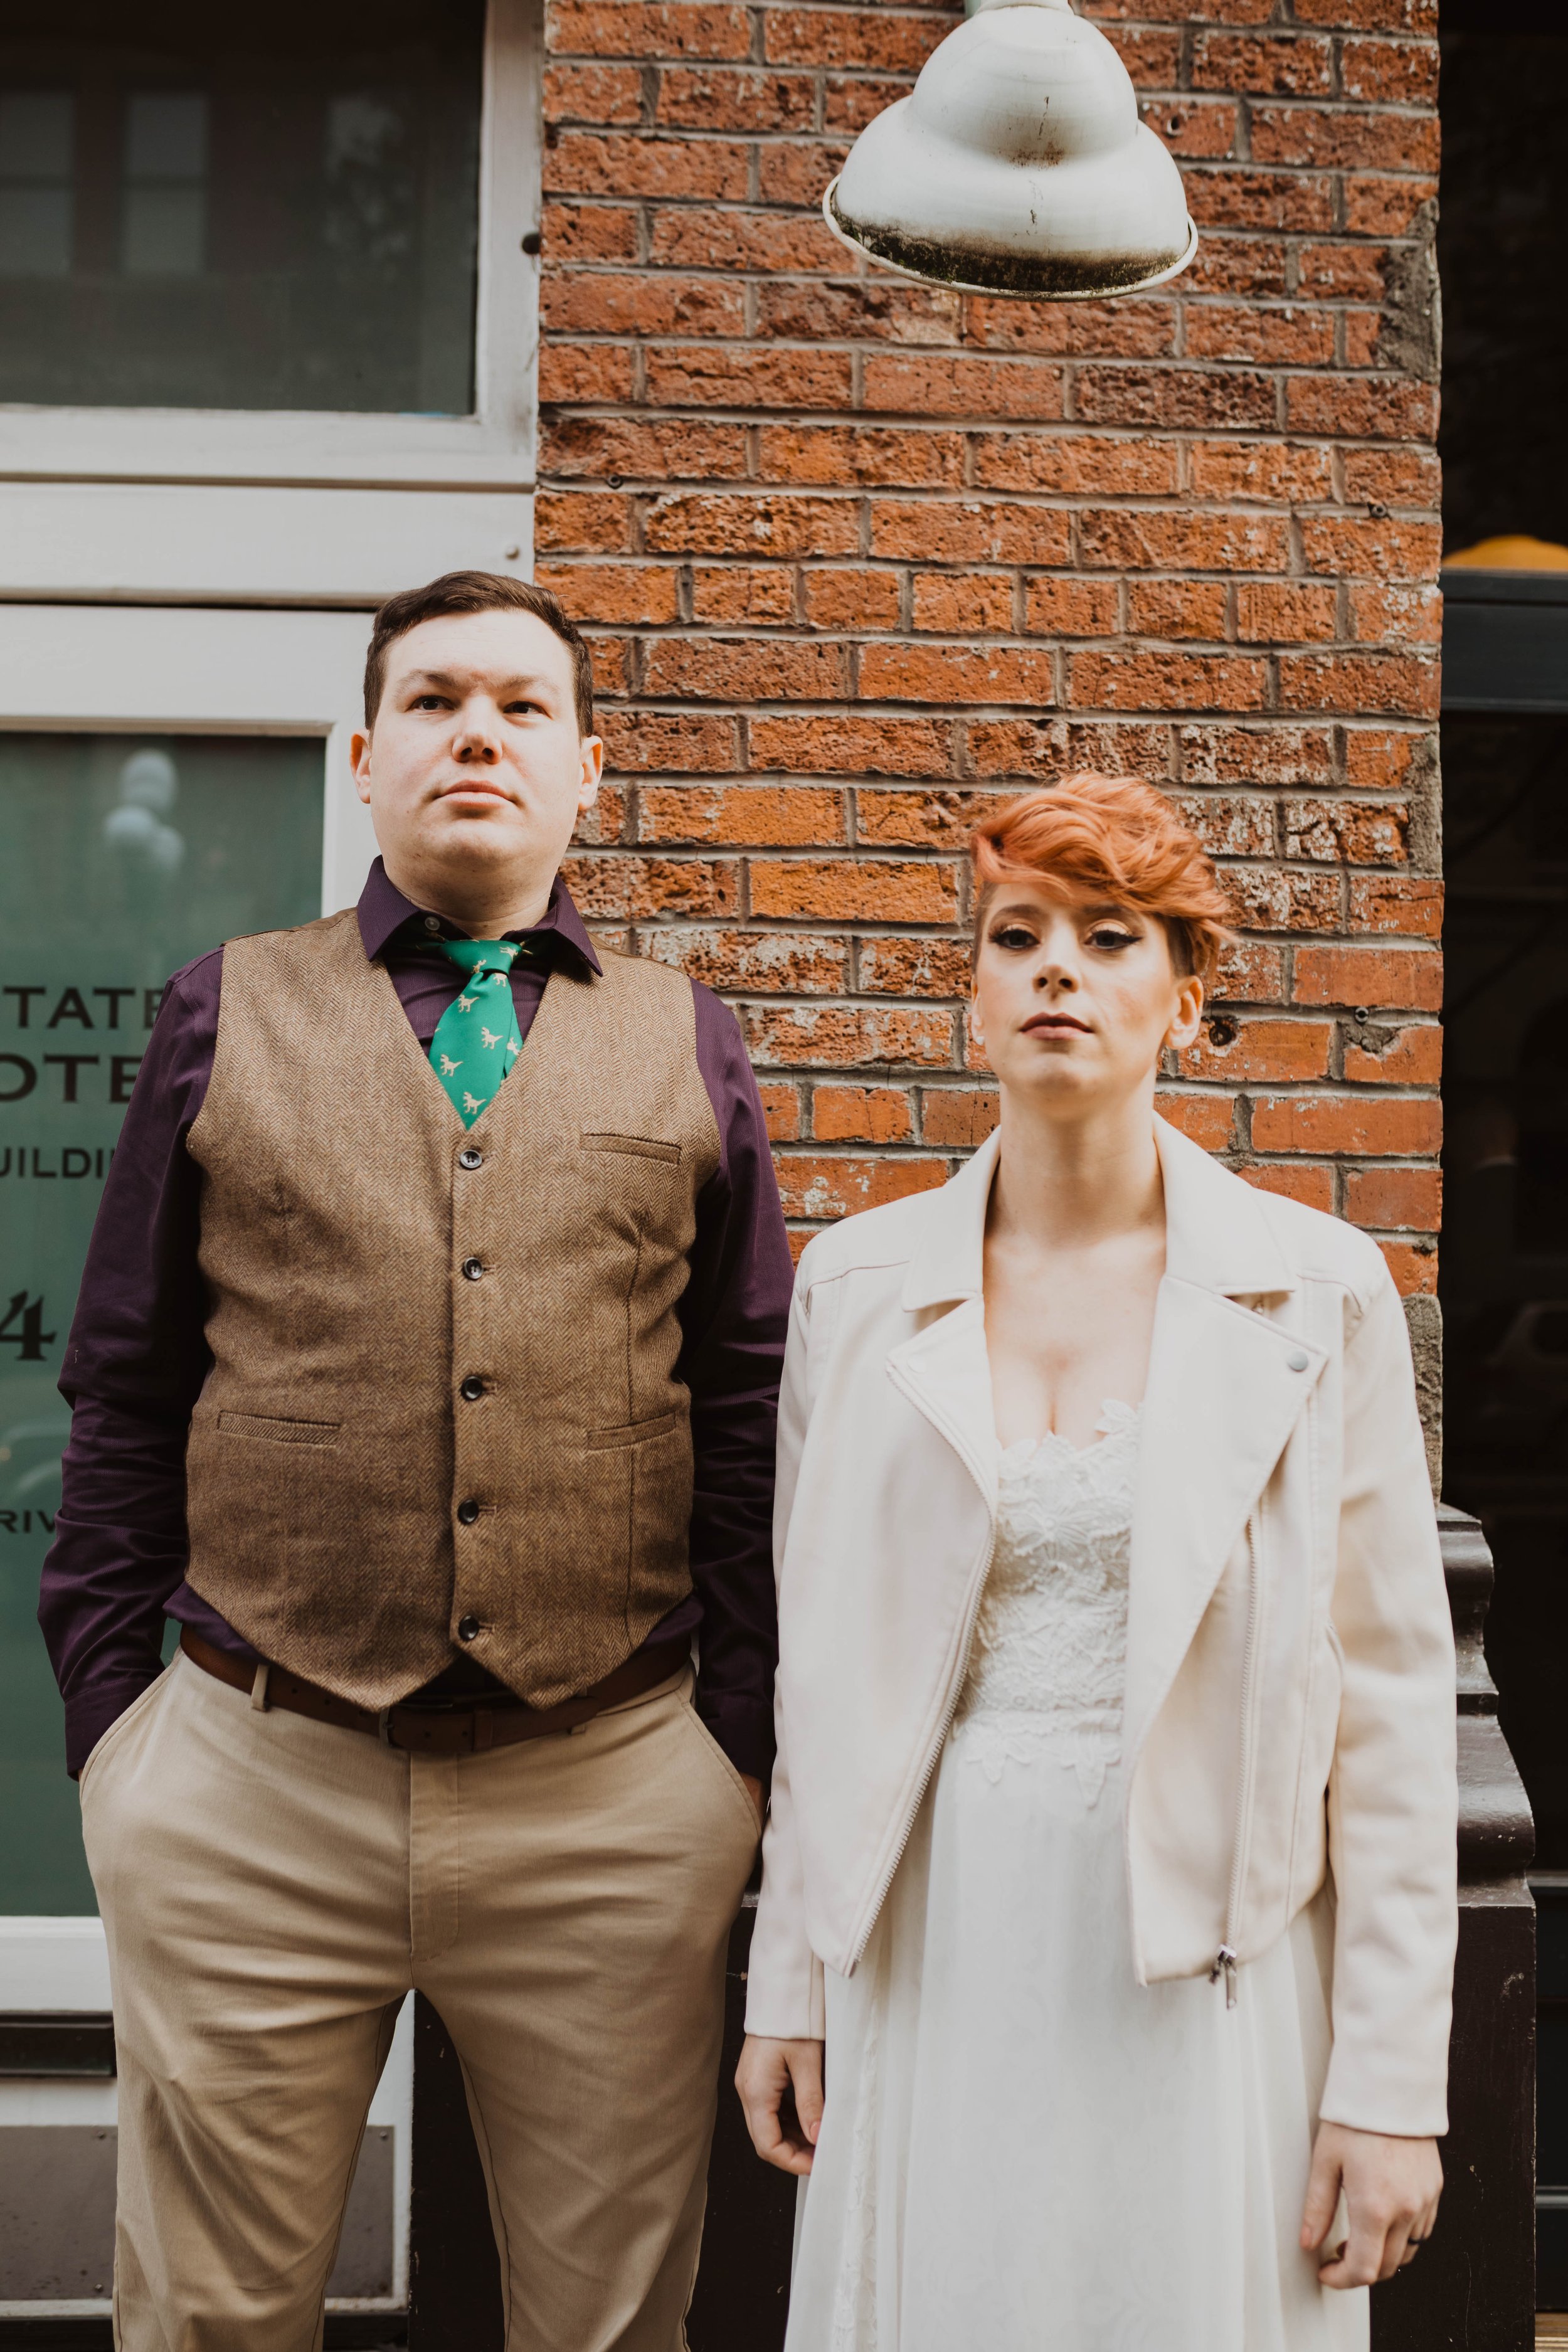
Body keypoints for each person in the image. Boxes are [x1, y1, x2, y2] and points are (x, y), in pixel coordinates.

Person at [40, 570, 792, 2352]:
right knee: (210, 2319)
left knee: (607, 2326)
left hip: (609, 1781)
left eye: (523, 707)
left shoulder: (685, 1035)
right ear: (364, 757)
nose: (480, 731)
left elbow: (749, 1397)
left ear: (585, 770)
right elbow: (127, 1386)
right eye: (437, 701)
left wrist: (732, 1745)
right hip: (254, 1771)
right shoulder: (223, 1008)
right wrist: (114, 1733)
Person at [736, 776, 1456, 2352]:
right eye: (1018, 935)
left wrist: (1390, 2087)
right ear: (972, 998)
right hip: (932, 1934)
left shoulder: (1314, 1292)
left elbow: (1391, 1717)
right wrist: (785, 1976)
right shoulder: (855, 1292)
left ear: (1185, 1003)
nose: (1056, 967)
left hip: (1209, 1960)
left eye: (1108, 935)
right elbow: (821, 1672)